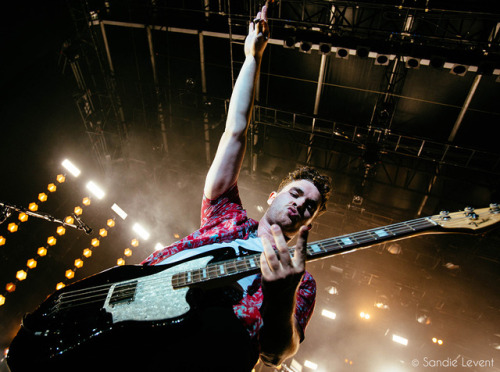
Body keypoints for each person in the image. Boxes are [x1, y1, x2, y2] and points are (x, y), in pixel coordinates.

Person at [141, 4, 331, 371]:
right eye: (295, 193)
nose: (301, 206)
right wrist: (251, 56)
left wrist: (280, 301)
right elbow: (235, 132)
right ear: (273, 196)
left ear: (310, 224)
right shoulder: (226, 214)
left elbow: (277, 355)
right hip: (130, 325)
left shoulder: (300, 281)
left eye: (310, 207)